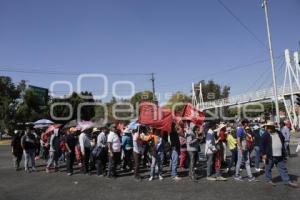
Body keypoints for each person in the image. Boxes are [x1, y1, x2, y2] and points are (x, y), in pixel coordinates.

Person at [261, 122, 298, 188]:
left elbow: (283, 139)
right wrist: (263, 154)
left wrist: (282, 149)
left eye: (269, 127)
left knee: (283, 168)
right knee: (268, 168)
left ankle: (287, 181)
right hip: (270, 155)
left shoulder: (279, 133)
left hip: (279, 154)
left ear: (273, 127)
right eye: (267, 127)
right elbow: (262, 145)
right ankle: (269, 180)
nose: (268, 128)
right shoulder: (265, 135)